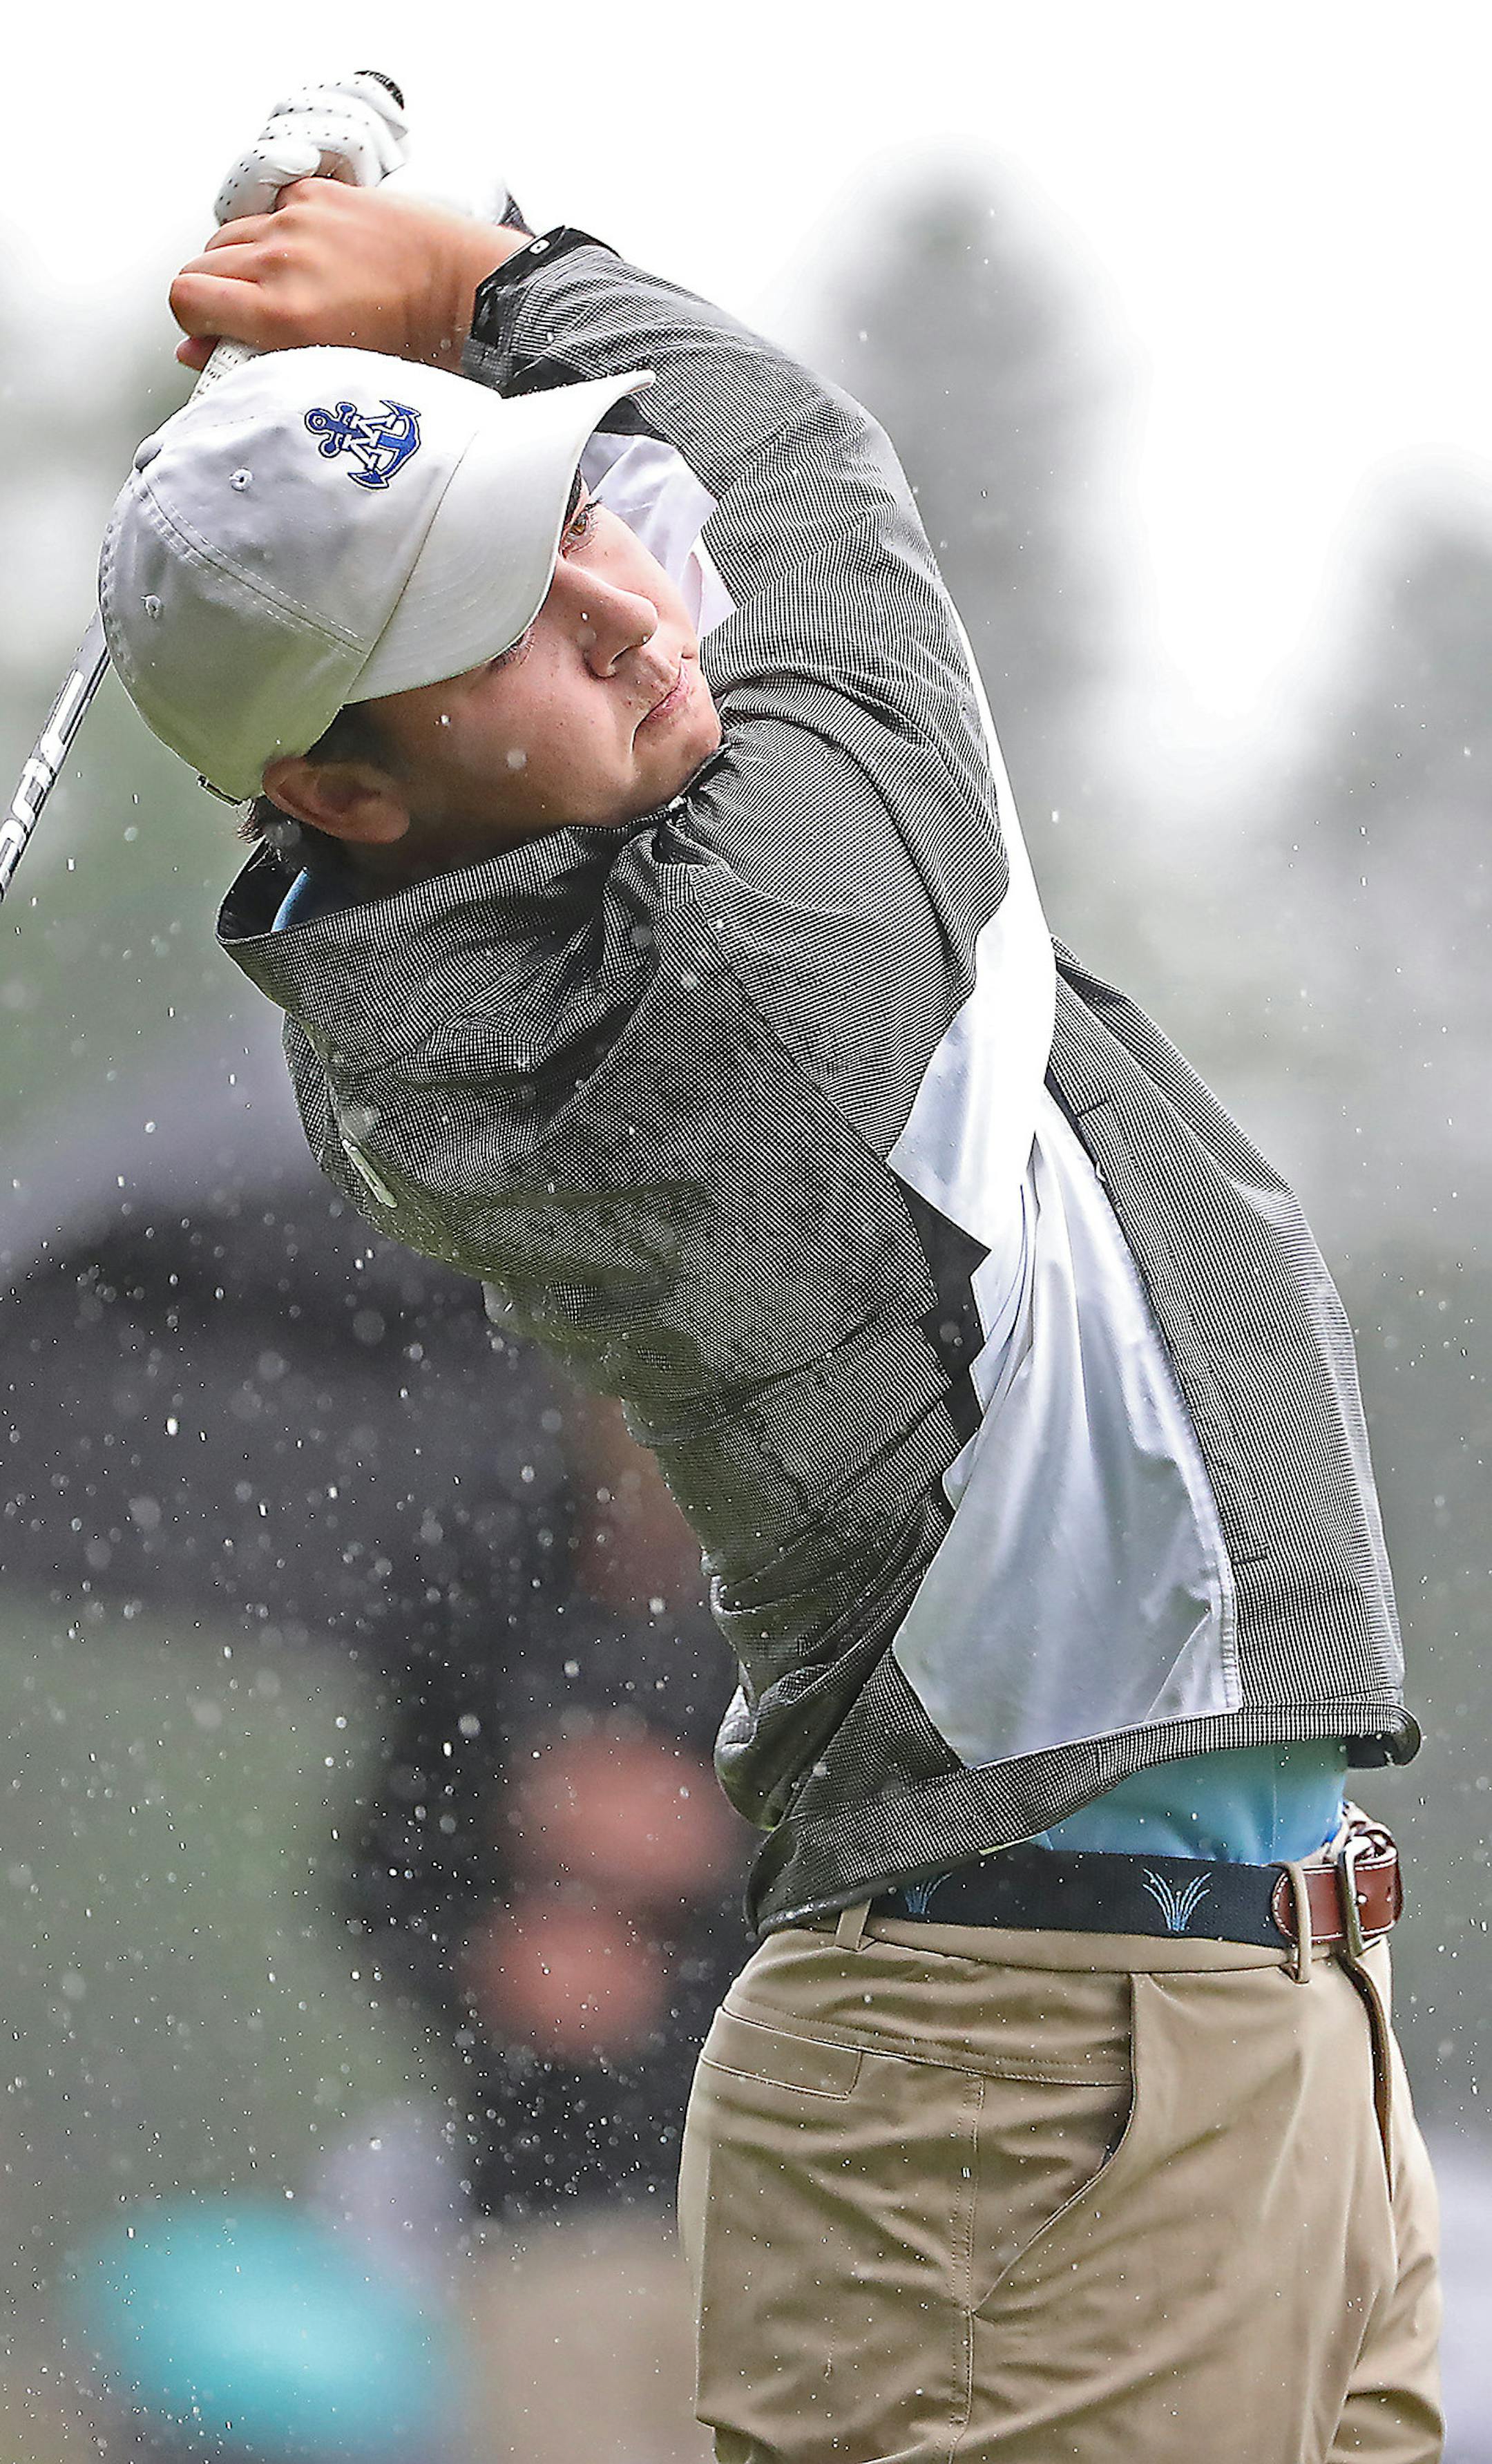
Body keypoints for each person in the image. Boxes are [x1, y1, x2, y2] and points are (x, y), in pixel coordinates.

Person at [96, 160, 1441, 2461]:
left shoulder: (513, 891)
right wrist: (490, 274)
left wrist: (421, 398)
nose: (631, 607)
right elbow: (814, 502)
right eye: (510, 615)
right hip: (1039, 2069)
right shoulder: (744, 965)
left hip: (1225, 2006)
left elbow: (702, 537)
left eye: (576, 524)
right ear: (337, 781)